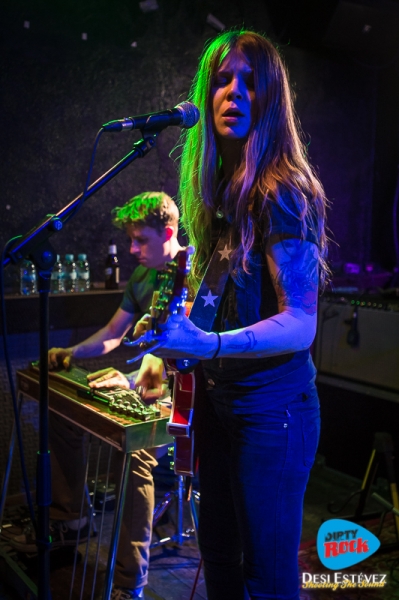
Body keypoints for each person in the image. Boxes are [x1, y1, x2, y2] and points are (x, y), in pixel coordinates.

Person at [137, 30, 329, 600]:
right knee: (217, 559)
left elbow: (302, 323)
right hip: (220, 408)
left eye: (249, 81)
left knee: (266, 581)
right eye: (223, 79)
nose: (234, 92)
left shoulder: (281, 191)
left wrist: (210, 348)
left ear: (270, 98)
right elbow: (214, 291)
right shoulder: (221, 191)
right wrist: (164, 349)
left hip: (275, 411)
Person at [10, 191, 182, 600]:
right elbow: (112, 335)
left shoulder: (191, 274)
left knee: (134, 457)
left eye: (141, 240)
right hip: (144, 380)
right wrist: (72, 352)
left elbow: (175, 354)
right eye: (131, 239)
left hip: (181, 395)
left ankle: (129, 583)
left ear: (169, 233)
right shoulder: (142, 276)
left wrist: (133, 379)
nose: (133, 249)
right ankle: (72, 519)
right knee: (65, 416)